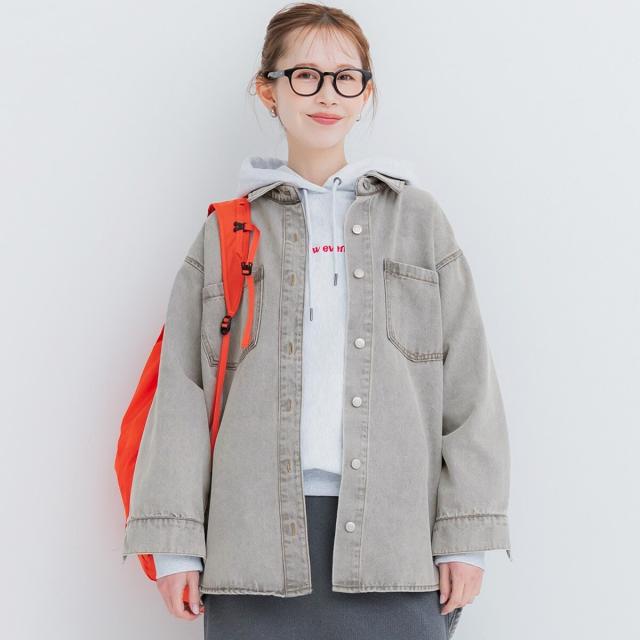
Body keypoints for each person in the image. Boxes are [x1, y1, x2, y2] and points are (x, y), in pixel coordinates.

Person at [121, 4, 512, 639]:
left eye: (345, 77)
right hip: (252, 547)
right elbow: (183, 391)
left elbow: (469, 387)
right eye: (304, 75)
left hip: (398, 545)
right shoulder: (229, 230)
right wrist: (175, 546)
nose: (327, 94)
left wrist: (466, 537)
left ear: (366, 92)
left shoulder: (418, 222)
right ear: (268, 90)